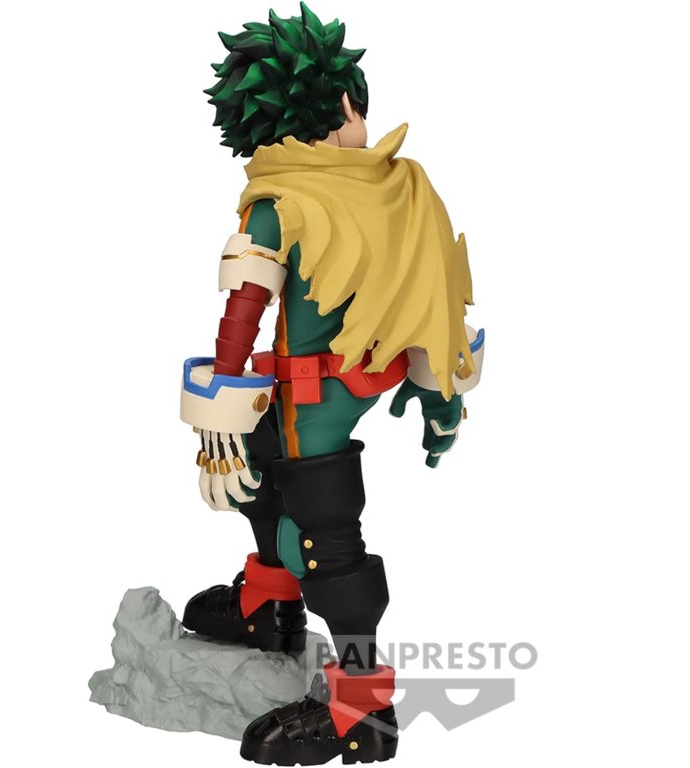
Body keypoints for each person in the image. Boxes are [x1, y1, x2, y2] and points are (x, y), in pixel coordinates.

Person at [177, 4, 484, 763]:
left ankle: (362, 705)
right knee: (264, 479)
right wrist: (440, 391)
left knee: (325, 536)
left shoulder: (285, 201)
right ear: (345, 104)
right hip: (312, 386)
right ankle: (268, 607)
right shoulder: (396, 184)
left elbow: (244, 305)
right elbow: (438, 292)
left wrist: (221, 392)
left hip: (317, 397)